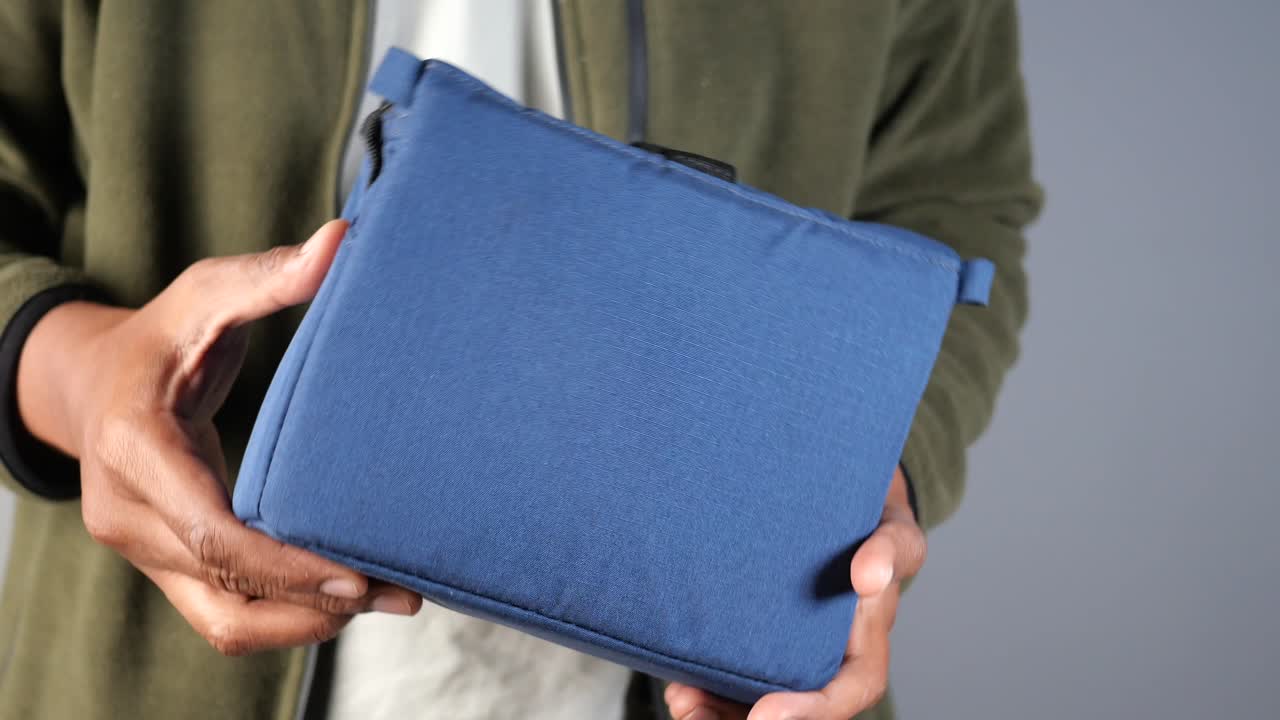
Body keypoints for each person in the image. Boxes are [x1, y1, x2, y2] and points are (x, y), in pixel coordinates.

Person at [0, 1, 1040, 719]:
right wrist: (85, 381)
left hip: (722, 670)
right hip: (137, 669)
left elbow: (954, 203)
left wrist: (870, 476)